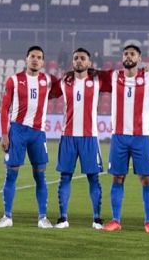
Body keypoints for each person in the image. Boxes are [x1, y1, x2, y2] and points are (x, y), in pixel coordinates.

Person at [0, 45, 60, 229]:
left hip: (38, 134)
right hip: (17, 131)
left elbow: (64, 89)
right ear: (26, 59)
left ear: (43, 62)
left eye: (39, 57)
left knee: (40, 176)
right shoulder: (14, 80)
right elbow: (4, 108)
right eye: (32, 56)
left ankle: (42, 218)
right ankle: (7, 216)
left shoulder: (47, 80)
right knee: (11, 174)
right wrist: (4, 134)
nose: (35, 60)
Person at [102, 44, 149, 233]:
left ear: (139, 58)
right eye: (126, 54)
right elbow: (90, 75)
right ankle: (115, 220)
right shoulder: (113, 76)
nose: (129, 57)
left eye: (133, 54)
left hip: (141, 137)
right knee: (118, 177)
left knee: (146, 179)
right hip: (119, 136)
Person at [53, 48, 111, 229]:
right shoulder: (64, 81)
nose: (79, 61)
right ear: (72, 62)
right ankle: (63, 219)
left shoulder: (97, 80)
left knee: (93, 178)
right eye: (76, 58)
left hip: (89, 137)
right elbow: (44, 94)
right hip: (68, 136)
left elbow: (118, 79)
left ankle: (97, 219)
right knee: (65, 178)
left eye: (83, 58)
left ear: (89, 63)